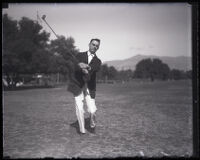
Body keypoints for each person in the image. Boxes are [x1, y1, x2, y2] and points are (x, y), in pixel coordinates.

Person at [67, 38, 102, 134]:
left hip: (90, 87)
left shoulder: (98, 61)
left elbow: (95, 68)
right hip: (78, 85)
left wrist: (87, 67)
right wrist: (79, 66)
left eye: (96, 46)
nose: (94, 46)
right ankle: (82, 130)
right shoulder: (79, 55)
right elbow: (72, 66)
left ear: (98, 48)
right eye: (93, 44)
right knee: (79, 107)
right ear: (89, 44)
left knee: (92, 110)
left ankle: (92, 124)